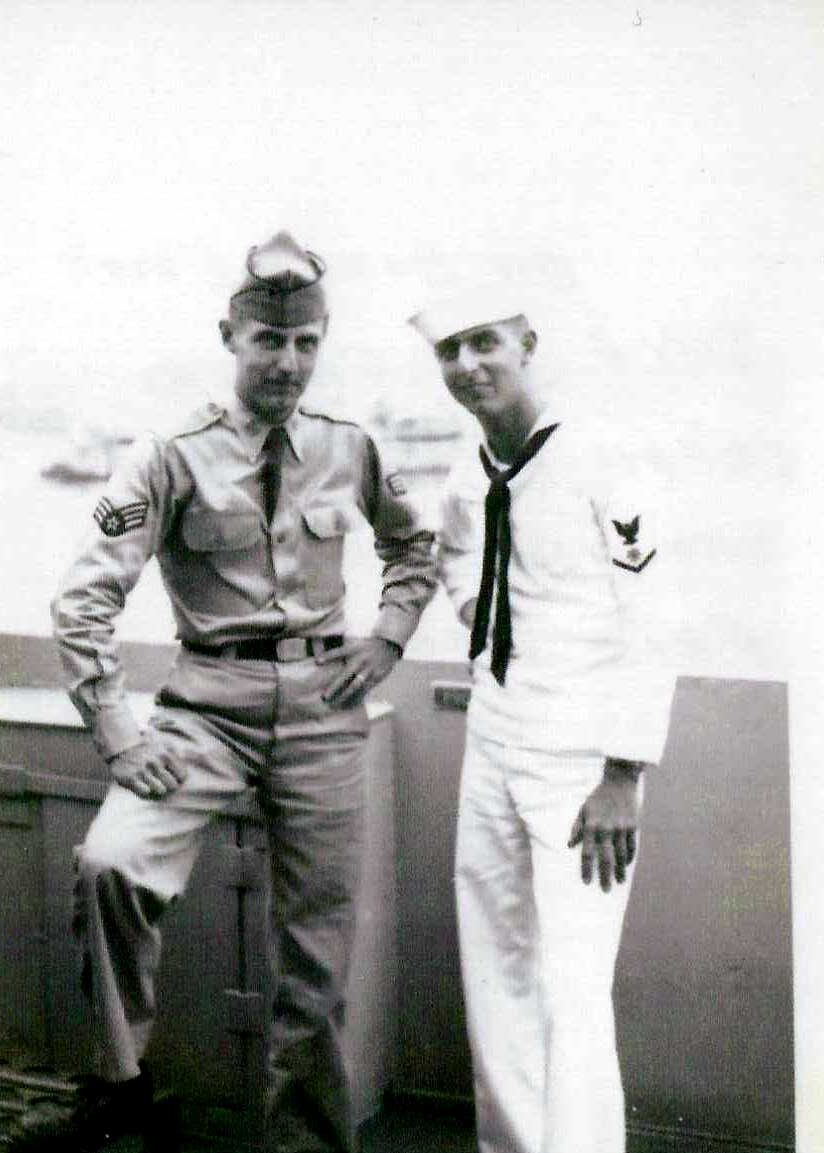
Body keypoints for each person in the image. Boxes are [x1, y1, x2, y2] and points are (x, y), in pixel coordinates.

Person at [12, 232, 437, 1153]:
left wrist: (390, 635)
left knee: (315, 960)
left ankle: (307, 1146)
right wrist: (120, 734)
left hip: (326, 712)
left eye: (306, 343)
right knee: (111, 863)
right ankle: (123, 1087)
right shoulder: (169, 457)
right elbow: (84, 597)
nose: (288, 362)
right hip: (204, 709)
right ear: (231, 337)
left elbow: (416, 547)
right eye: (268, 341)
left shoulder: (350, 446)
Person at [409, 285, 675, 1153]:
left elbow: (653, 613)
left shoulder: (604, 455)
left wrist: (623, 773)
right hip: (494, 741)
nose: (468, 364)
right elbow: (456, 559)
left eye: (484, 341)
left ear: (527, 340)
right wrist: (486, 645)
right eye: (450, 349)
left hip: (582, 764)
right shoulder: (464, 474)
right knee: (495, 972)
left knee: (572, 987)